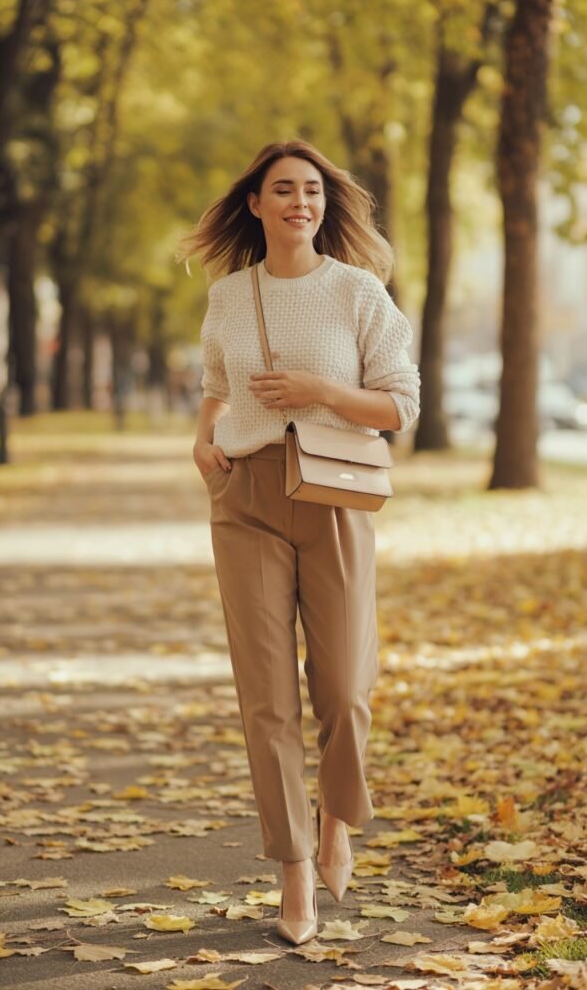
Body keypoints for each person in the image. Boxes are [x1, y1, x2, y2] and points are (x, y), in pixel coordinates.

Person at [178, 140, 420, 945]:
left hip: (334, 497)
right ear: (256, 204)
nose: (299, 203)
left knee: (346, 687)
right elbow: (216, 390)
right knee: (267, 699)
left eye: (311, 190)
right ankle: (293, 874)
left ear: (326, 203)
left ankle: (338, 818)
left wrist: (322, 392)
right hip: (245, 495)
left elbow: (400, 407)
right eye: (283, 190)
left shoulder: (357, 293)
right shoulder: (227, 296)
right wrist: (203, 439)